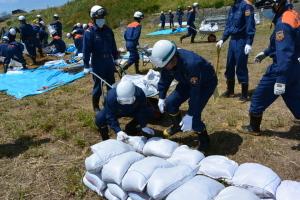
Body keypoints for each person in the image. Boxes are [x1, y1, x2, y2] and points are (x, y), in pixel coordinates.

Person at [242, 0, 300, 133]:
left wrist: (280, 79)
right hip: (295, 66)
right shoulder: (291, 14)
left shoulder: (283, 23)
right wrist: (267, 52)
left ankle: (253, 128)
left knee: (258, 98)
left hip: (282, 68)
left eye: (266, 7)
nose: (264, 11)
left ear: (276, 4)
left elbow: (285, 52)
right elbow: (288, 42)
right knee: (295, 100)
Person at [149, 40, 218, 152]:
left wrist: (190, 114)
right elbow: (165, 78)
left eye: (165, 65)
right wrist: (161, 97)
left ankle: (205, 142)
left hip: (205, 84)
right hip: (186, 81)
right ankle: (177, 126)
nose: (164, 68)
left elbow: (195, 95)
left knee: (194, 118)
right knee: (170, 103)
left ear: (173, 58)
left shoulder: (191, 64)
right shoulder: (168, 62)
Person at [216, 0, 256, 101]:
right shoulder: (232, 8)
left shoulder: (246, 6)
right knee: (229, 65)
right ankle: (230, 90)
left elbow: (250, 24)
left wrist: (249, 42)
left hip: (242, 40)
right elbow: (228, 26)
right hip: (232, 40)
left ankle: (244, 93)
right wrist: (222, 39)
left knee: (241, 66)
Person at [83, 5, 119, 113]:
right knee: (98, 86)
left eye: (103, 17)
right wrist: (86, 65)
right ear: (93, 18)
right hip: (97, 62)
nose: (102, 20)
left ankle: (110, 103)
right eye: (99, 18)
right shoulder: (89, 33)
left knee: (111, 84)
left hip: (109, 61)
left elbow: (113, 45)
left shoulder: (108, 30)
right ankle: (96, 106)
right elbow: (86, 50)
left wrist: (116, 58)